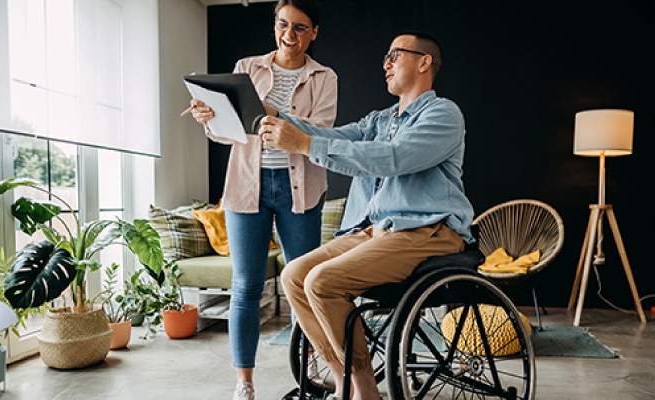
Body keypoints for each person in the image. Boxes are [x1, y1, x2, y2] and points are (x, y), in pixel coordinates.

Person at [258, 30, 474, 399]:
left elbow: (393, 159)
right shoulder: (380, 119)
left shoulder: (444, 113)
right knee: (294, 275)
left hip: (427, 230)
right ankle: (348, 380)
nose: (386, 64)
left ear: (424, 62)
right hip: (376, 230)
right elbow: (332, 135)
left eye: (395, 55)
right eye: (385, 57)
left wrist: (306, 145)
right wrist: (275, 115)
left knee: (322, 282)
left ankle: (363, 391)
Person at [189, 1, 337, 399]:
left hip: (300, 188)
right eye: (283, 25)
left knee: (304, 285)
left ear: (315, 32)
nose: (290, 36)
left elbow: (319, 135)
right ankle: (244, 383)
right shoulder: (247, 67)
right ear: (275, 24)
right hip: (246, 185)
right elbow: (230, 132)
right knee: (246, 286)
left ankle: (310, 370)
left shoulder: (324, 77)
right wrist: (210, 118)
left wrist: (267, 110)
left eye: (301, 28)